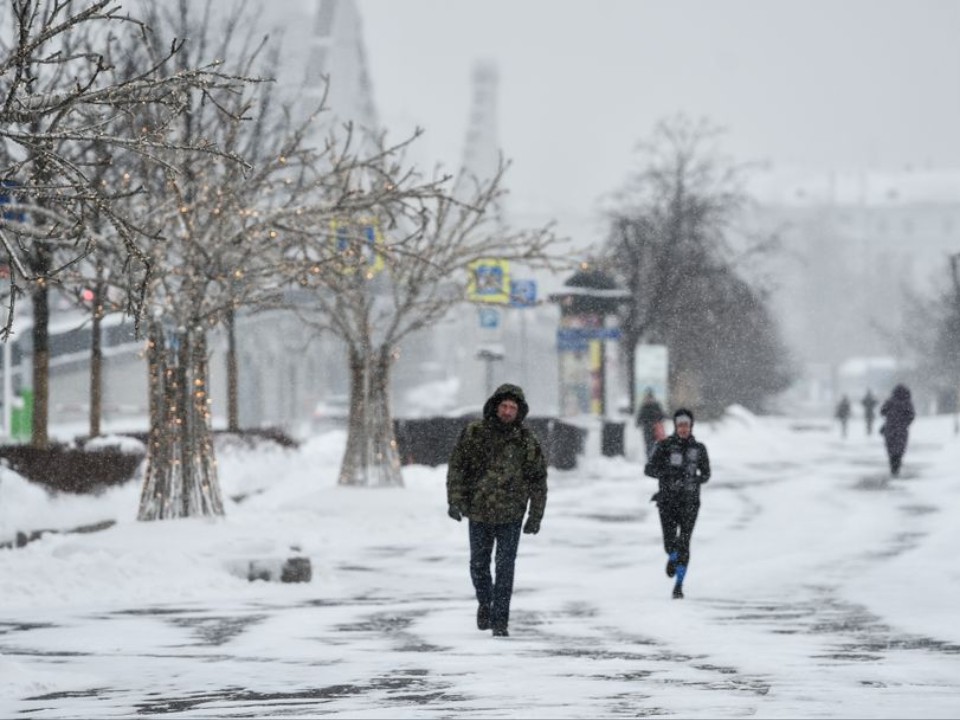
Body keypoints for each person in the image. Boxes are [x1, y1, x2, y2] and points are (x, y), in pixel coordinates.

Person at [446, 383, 548, 637]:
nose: (507, 412)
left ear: (519, 411)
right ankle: (486, 601)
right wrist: (455, 501)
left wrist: (535, 516)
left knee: (505, 568)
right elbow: (458, 468)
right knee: (478, 565)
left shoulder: (526, 441)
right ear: (495, 406)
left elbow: (538, 480)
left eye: (512, 408)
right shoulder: (474, 433)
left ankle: (500, 620)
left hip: (511, 515)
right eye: (504, 406)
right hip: (478, 511)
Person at [644, 408, 711, 599]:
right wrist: (665, 474)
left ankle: (679, 586)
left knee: (684, 543)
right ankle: (671, 557)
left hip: (690, 502)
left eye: (686, 425)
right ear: (675, 426)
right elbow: (648, 469)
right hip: (667, 500)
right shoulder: (664, 446)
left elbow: (706, 474)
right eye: (680, 425)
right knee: (670, 542)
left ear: (691, 427)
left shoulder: (699, 449)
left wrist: (694, 480)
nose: (683, 429)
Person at [880, 384, 915, 477]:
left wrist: (890, 417)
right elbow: (911, 416)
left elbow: (882, 411)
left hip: (890, 429)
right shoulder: (907, 402)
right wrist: (905, 423)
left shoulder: (890, 401)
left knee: (891, 448)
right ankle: (897, 466)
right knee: (900, 448)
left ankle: (893, 467)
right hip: (902, 430)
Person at [636, 388, 666, 458]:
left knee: (655, 444)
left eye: (649, 397)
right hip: (647, 429)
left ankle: (654, 458)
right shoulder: (644, 407)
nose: (648, 399)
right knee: (648, 445)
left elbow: (662, 416)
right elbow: (639, 418)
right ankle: (650, 458)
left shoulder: (655, 406)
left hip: (655, 429)